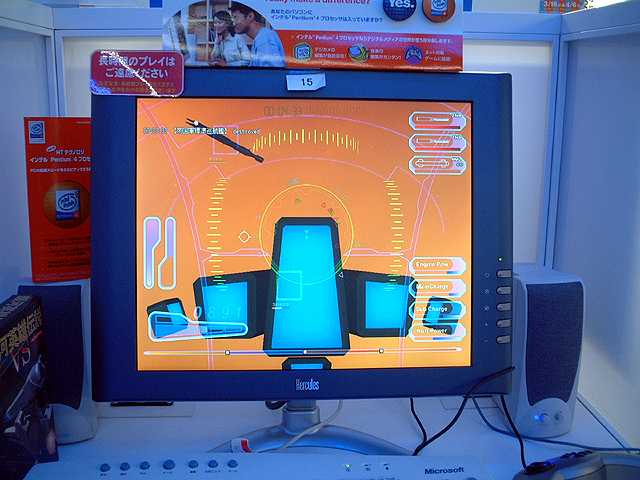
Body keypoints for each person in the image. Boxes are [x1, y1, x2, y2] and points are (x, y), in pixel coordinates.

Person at [230, 2, 286, 68]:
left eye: (236, 18)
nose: (233, 23)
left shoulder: (263, 40)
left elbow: (271, 73)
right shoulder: (263, 37)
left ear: (250, 16)